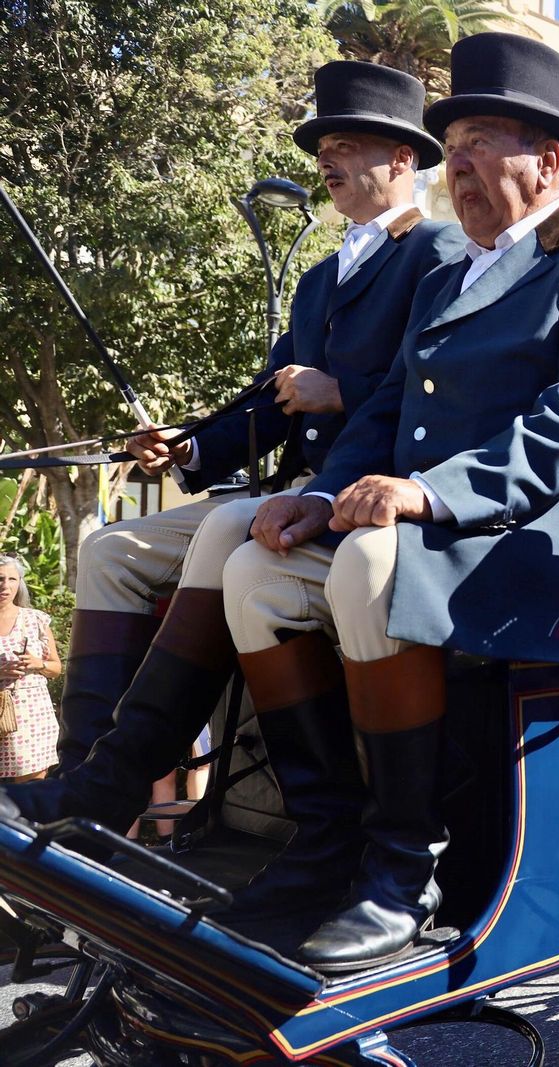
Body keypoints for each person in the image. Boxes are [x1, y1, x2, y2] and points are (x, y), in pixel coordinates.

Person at [211, 32, 559, 972]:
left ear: (547, 161)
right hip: (449, 527)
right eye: (449, 145)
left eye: (479, 143)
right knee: (256, 568)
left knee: (372, 565)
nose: (455, 163)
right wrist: (324, 491)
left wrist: (425, 493)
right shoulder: (452, 273)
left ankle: (402, 870)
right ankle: (325, 837)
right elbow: (387, 406)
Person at [47, 61, 464, 779]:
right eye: (320, 148)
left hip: (366, 494)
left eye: (345, 143)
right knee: (107, 552)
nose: (325, 158)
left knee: (220, 529)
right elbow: (267, 400)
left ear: (402, 158)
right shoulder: (317, 280)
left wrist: (341, 389)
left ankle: (138, 776)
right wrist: (182, 450)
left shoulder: (439, 254)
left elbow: (435, 391)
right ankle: (81, 771)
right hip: (284, 489)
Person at [0, 558, 62, 783]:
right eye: (0, 579)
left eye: (12, 579)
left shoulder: (35, 619)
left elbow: (56, 668)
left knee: (31, 790)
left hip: (32, 715)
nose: (5, 586)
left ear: (19, 584)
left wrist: (38, 664)